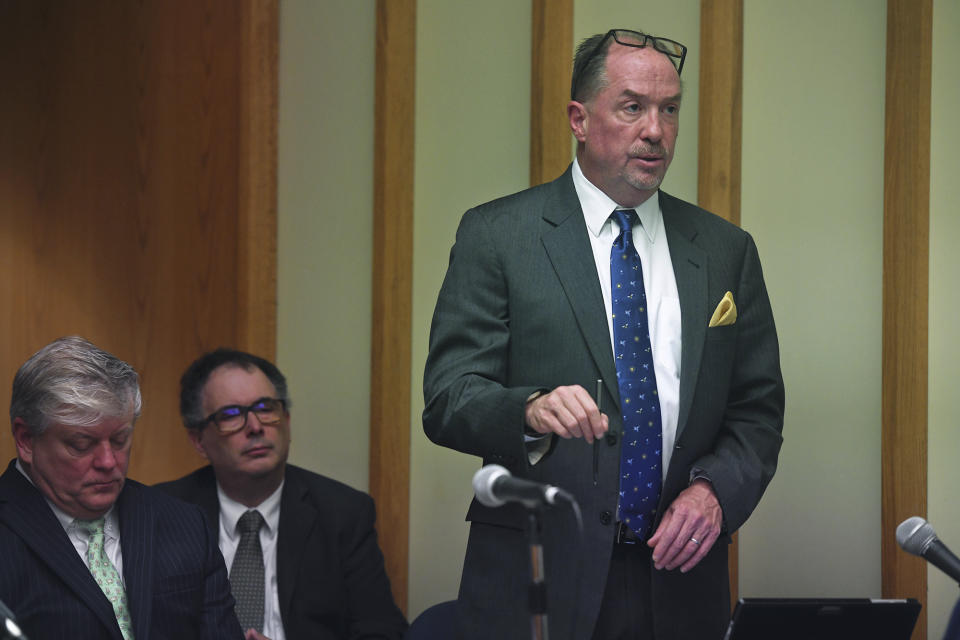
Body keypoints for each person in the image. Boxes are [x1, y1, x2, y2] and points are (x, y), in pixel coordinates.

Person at [423, 28, 785, 639]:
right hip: (538, 574)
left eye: (670, 109)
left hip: (680, 580)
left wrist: (714, 493)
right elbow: (449, 398)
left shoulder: (726, 251)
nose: (655, 130)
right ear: (579, 119)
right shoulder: (499, 235)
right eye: (632, 106)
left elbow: (756, 409)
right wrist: (530, 409)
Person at [0, 336, 243, 640]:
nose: (108, 461)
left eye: (120, 440)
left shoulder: (185, 524)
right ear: (26, 439)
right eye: (81, 444)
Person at [156, 348, 407, 640]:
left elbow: (383, 633)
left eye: (265, 408)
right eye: (231, 415)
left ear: (286, 421)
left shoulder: (343, 513)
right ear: (198, 440)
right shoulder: (164, 514)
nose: (255, 427)